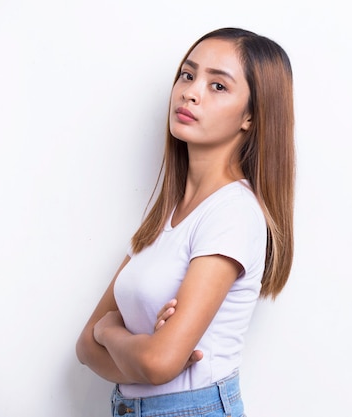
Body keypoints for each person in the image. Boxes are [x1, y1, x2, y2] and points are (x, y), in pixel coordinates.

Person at [76, 27, 295, 417]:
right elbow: (85, 349)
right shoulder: (166, 214)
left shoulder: (232, 213)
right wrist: (141, 351)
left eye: (218, 86)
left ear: (250, 116)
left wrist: (110, 332)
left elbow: (158, 363)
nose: (190, 92)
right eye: (188, 75)